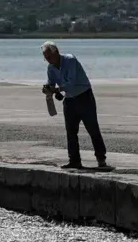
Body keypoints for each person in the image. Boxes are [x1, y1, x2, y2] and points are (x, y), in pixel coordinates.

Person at [41, 41, 109, 170]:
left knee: (92, 129)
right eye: (45, 57)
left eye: (49, 56)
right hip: (69, 99)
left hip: (84, 96)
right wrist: (47, 88)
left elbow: (70, 83)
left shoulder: (70, 60)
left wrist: (56, 90)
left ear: (56, 52)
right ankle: (74, 160)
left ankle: (101, 159)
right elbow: (51, 82)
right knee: (71, 132)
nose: (48, 60)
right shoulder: (50, 68)